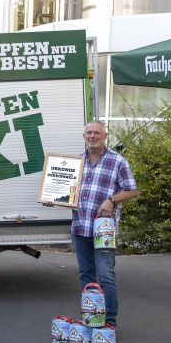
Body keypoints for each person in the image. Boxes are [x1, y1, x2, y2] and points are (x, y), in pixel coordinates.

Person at [45, 121, 138, 327]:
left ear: (105, 136)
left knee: (105, 276)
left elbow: (132, 190)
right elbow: (67, 193)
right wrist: (53, 197)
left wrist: (112, 200)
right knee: (86, 275)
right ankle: (91, 317)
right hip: (80, 227)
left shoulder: (118, 161)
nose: (93, 136)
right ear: (84, 136)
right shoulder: (76, 163)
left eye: (97, 132)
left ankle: (109, 322)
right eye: (89, 132)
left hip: (102, 230)